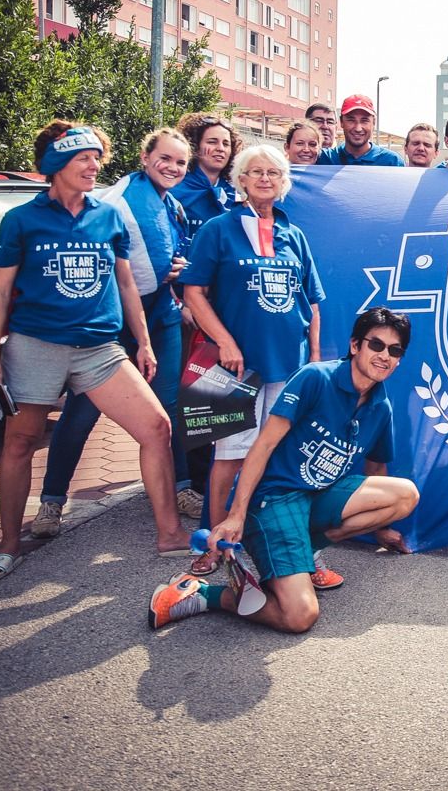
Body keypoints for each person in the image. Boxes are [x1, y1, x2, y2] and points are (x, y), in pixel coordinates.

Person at [0, 123, 190, 581]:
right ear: (56, 166)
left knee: (156, 427)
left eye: (97, 158)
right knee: (19, 443)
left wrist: (145, 341)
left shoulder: (107, 217)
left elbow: (127, 283)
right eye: (82, 159)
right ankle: (9, 546)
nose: (94, 166)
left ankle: (170, 535)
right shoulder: (22, 220)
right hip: (36, 345)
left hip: (99, 349)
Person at [149, 309, 420, 634]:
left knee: (405, 495)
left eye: (394, 350)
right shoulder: (316, 378)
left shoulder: (380, 406)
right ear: (354, 346)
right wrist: (235, 515)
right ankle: (203, 593)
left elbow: (377, 469)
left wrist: (380, 530)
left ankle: (306, 552)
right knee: (299, 616)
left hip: (317, 496)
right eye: (376, 345)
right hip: (274, 499)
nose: (384, 356)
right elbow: (263, 445)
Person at [32, 128, 198, 538]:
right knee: (82, 411)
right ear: (145, 157)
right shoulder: (116, 199)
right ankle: (52, 502)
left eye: (181, 162)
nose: (173, 167)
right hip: (115, 323)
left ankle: (180, 487)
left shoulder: (171, 204)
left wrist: (175, 269)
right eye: (165, 158)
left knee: (169, 405)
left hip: (161, 316)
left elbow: (168, 255)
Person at [179, 145, 330, 585]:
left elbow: (312, 303)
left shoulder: (293, 234)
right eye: (256, 172)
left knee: (280, 455)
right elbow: (194, 294)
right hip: (230, 368)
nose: (265, 178)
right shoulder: (218, 229)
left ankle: (269, 538)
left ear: (283, 183)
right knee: (229, 454)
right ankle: (212, 541)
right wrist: (224, 341)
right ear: (240, 179)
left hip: (288, 366)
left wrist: (315, 361)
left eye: (273, 173)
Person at [174, 112, 237, 242]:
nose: (220, 149)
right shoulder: (175, 187)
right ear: (195, 147)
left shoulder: (237, 193)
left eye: (226, 144)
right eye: (212, 142)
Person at [317, 95, 404, 166]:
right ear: (341, 122)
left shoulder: (392, 162)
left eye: (364, 121)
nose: (358, 128)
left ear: (373, 123)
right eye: (351, 120)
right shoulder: (324, 158)